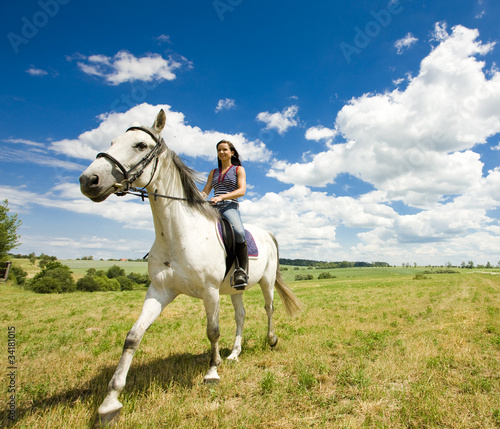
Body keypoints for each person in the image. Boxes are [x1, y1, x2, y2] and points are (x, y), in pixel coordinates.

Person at [202, 140, 248, 288]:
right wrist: (197, 196)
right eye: (219, 150)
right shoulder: (213, 172)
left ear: (231, 152)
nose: (221, 152)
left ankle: (240, 270)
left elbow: (242, 191)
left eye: (225, 150)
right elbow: (205, 192)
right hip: (213, 208)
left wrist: (222, 197)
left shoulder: (238, 170)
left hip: (229, 206)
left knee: (239, 232)